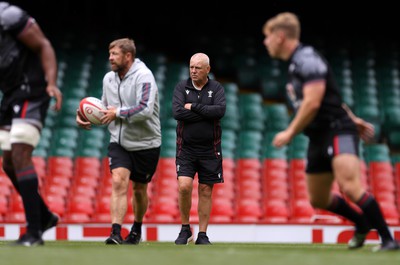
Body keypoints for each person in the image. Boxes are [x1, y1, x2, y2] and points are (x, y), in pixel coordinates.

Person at [262, 12, 399, 252]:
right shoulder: (295, 64)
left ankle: (388, 239)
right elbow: (328, 95)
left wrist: (290, 132)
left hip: (338, 130)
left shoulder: (307, 59)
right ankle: (361, 222)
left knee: (350, 187)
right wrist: (354, 116)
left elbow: (313, 102)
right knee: (318, 199)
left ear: (280, 36)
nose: (265, 42)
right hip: (318, 135)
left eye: (267, 36)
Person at [76, 38, 161, 245]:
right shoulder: (108, 79)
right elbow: (105, 109)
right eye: (110, 53)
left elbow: (145, 109)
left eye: (114, 54)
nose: (110, 58)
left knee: (140, 189)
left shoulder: (144, 76)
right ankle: (115, 232)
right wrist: (83, 115)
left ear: (128, 56)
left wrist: (118, 113)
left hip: (146, 143)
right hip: (119, 142)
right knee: (118, 181)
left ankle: (137, 228)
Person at [0, 2, 62, 246]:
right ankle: (45, 216)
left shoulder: (8, 16)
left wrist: (51, 82)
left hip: (33, 90)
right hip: (11, 95)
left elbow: (43, 45)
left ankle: (34, 233)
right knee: (8, 163)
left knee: (20, 154)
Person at [172, 53, 226, 245]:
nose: (193, 71)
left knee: (205, 190)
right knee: (184, 186)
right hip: (185, 149)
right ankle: (185, 228)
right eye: (191, 67)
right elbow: (177, 112)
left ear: (207, 70)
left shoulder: (216, 88)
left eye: (197, 68)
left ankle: (202, 234)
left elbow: (219, 111)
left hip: (210, 149)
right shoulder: (181, 87)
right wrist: (205, 112)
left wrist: (193, 107)